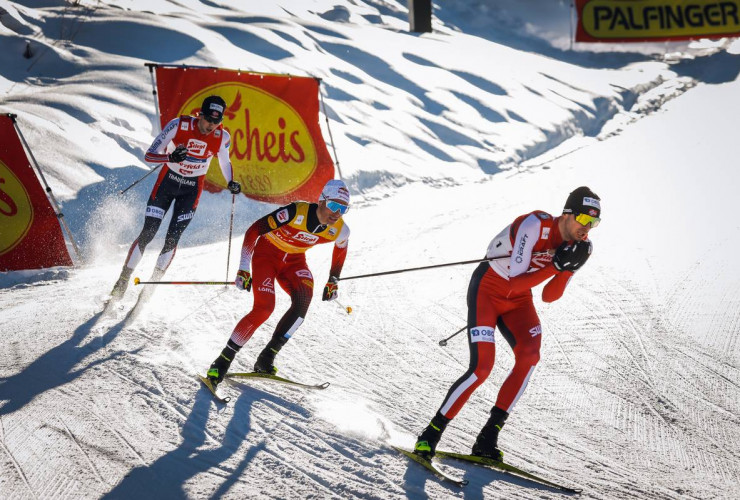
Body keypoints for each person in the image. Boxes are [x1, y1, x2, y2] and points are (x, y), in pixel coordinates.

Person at [414, 186, 601, 461]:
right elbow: (513, 281)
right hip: (489, 290)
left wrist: (567, 269)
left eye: (595, 223)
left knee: (530, 355)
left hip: (518, 300)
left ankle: (488, 437)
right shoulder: (534, 226)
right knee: (482, 368)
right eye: (585, 220)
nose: (588, 229)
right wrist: (554, 267)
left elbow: (549, 296)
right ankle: (430, 435)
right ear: (567, 214)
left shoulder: (581, 247)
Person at [205, 179, 351, 387]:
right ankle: (223, 361)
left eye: (343, 208)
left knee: (302, 304)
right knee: (264, 308)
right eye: (334, 205)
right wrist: (244, 267)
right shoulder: (295, 212)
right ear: (321, 200)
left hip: (294, 261)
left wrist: (333, 280)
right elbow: (254, 230)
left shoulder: (339, 229)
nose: (337, 213)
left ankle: (267, 358)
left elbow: (341, 248)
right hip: (267, 255)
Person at [110, 95, 241, 298]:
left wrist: (231, 181)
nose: (210, 126)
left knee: (172, 239)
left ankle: (150, 287)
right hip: (167, 183)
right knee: (149, 232)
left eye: (216, 122)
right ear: (200, 115)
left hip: (191, 191)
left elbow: (225, 162)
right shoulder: (178, 125)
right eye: (207, 120)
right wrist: (169, 157)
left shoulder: (222, 137)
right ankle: (123, 278)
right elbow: (150, 154)